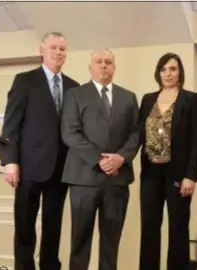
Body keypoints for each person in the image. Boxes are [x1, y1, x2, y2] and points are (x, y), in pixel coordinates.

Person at [1, 32, 79, 270]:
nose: (58, 53)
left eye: (63, 49)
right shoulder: (24, 80)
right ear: (41, 49)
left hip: (61, 169)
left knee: (53, 228)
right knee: (24, 227)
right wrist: (11, 161)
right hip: (28, 168)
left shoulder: (74, 87)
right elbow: (11, 124)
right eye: (53, 47)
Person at [61, 49, 140, 270]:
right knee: (80, 240)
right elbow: (70, 132)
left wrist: (121, 158)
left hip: (117, 180)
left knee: (111, 242)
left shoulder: (128, 97)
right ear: (91, 68)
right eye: (99, 62)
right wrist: (100, 160)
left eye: (108, 62)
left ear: (114, 68)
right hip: (83, 178)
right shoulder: (75, 95)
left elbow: (136, 133)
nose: (103, 65)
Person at [138, 53, 197, 270]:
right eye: (164, 69)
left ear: (180, 72)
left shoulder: (191, 99)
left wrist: (191, 175)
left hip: (179, 174)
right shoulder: (148, 99)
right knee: (149, 228)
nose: (168, 73)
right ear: (158, 73)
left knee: (177, 228)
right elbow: (137, 135)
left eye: (173, 69)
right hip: (150, 174)